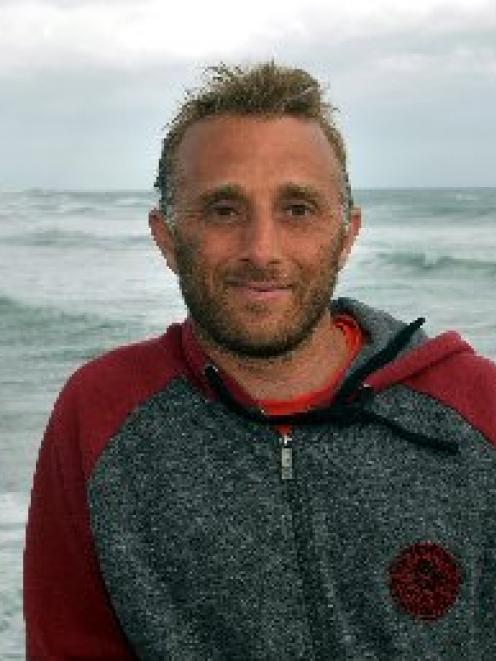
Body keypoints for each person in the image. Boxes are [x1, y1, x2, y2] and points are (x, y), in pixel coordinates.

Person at [24, 61, 496, 660]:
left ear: (346, 234)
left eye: (297, 208)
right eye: (224, 210)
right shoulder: (100, 415)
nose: (262, 250)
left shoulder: (476, 407)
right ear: (166, 239)